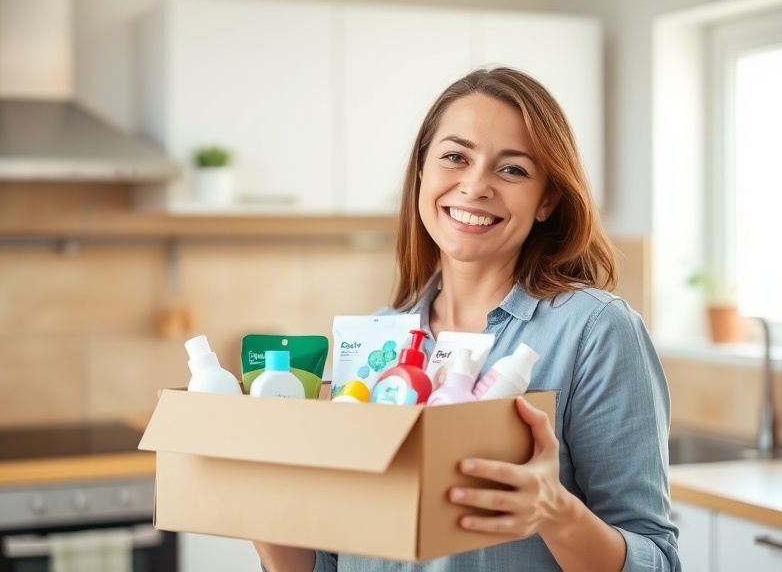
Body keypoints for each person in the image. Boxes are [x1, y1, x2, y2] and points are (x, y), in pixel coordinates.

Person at [255, 66, 680, 571]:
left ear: (546, 200)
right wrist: (259, 503)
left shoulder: (593, 331)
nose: (475, 186)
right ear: (422, 173)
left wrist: (555, 512)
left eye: (512, 169)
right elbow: (331, 560)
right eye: (455, 157)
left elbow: (658, 561)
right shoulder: (370, 340)